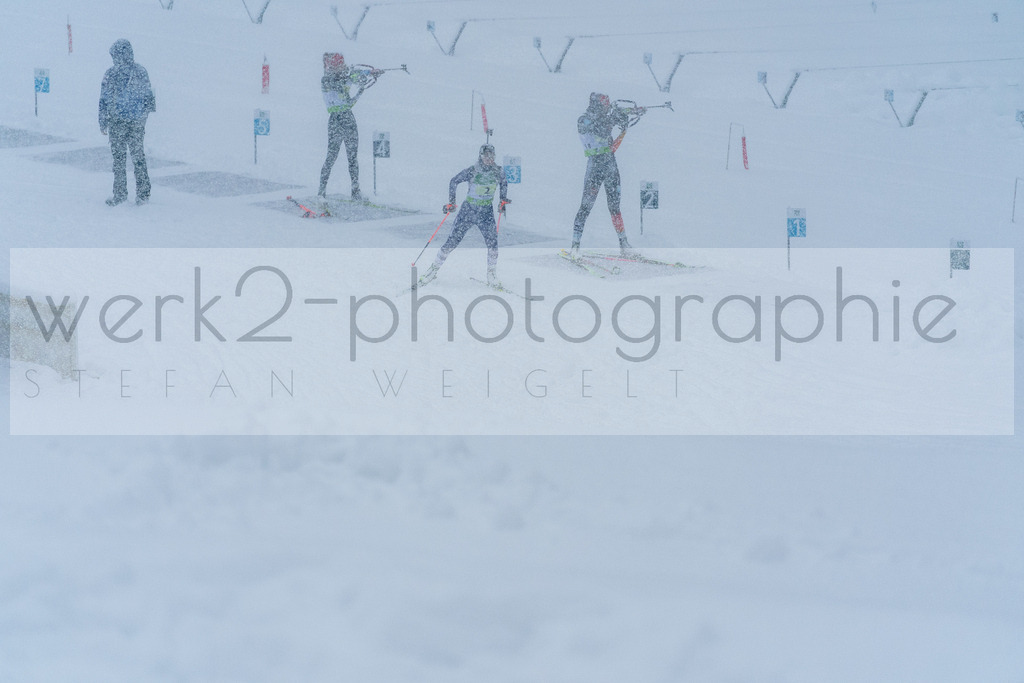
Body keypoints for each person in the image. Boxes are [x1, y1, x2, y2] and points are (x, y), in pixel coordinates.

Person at [418, 144, 510, 288]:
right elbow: (454, 181)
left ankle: (491, 275)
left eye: (491, 156)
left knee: (493, 243)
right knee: (452, 241)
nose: (489, 159)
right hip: (468, 211)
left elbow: (504, 183)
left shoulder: (498, 172)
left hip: (486, 211)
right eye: (486, 156)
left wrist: (502, 200)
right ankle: (433, 269)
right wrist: (452, 202)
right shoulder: (473, 170)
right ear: (481, 156)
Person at [570, 92, 642, 258]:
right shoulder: (584, 119)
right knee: (585, 207)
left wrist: (623, 124)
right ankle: (575, 245)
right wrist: (613, 120)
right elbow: (599, 129)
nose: (607, 108)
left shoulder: (604, 118)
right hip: (595, 165)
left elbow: (611, 139)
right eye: (605, 105)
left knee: (615, 206)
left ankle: (624, 243)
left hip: (610, 163)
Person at [98, 39, 156, 206]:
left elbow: (103, 99)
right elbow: (149, 100)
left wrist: (103, 121)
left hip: (118, 123)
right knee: (137, 158)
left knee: (120, 159)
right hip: (134, 123)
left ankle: (121, 194)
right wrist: (142, 118)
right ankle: (143, 194)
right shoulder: (140, 72)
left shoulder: (110, 74)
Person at [318, 53, 382, 202]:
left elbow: (355, 77)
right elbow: (342, 83)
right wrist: (359, 81)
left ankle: (355, 191)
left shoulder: (344, 76)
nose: (343, 67)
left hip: (348, 119)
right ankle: (321, 192)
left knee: (352, 158)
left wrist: (371, 73)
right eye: (339, 65)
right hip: (337, 120)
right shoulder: (327, 80)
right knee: (331, 157)